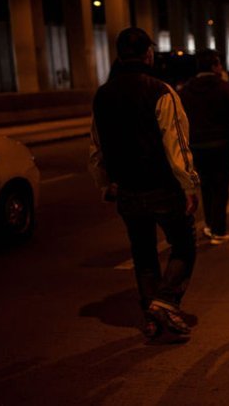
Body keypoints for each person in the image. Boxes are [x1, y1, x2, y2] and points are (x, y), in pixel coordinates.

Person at [89, 27, 200, 341]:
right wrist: (190, 185)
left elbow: (96, 147)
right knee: (184, 245)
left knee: (143, 252)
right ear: (148, 54)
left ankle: (151, 317)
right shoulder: (161, 91)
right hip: (163, 187)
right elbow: (176, 144)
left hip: (127, 189)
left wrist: (104, 183)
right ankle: (165, 301)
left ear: (119, 55)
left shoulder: (102, 94)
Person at [179, 50, 229, 245]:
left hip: (196, 145)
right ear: (213, 66)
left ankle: (210, 223)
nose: (220, 68)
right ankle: (218, 230)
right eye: (218, 64)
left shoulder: (186, 90)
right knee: (220, 187)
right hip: (220, 144)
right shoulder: (223, 88)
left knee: (207, 186)